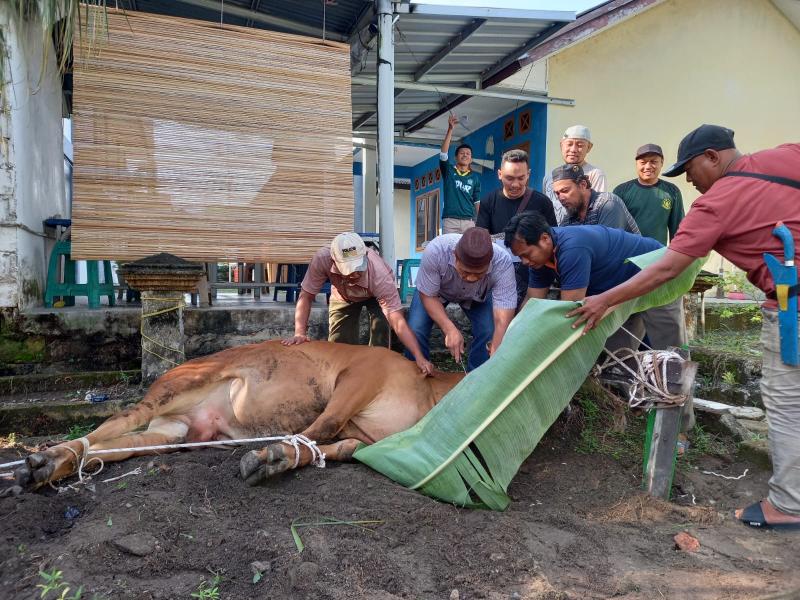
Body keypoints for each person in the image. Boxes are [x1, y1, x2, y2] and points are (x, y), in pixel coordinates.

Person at [568, 124, 800, 530]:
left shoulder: (715, 204)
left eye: (690, 169)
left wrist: (604, 300)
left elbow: (668, 266)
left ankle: (789, 504)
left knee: (786, 403)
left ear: (713, 156)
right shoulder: (785, 156)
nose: (690, 181)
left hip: (790, 305)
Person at [284, 232, 433, 376]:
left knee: (381, 333)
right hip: (343, 294)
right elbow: (306, 295)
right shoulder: (322, 259)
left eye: (358, 268)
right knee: (339, 344)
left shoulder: (380, 276)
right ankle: (344, 376)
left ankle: (376, 375)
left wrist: (418, 356)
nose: (354, 274)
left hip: (376, 296)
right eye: (348, 270)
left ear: (365, 256)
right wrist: (299, 333)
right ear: (334, 261)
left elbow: (398, 322)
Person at [405, 227, 516, 371]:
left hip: (478, 296)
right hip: (436, 293)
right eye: (465, 272)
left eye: (479, 274)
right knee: (416, 328)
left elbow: (502, 318)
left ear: (490, 263)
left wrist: (496, 350)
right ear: (455, 256)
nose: (470, 278)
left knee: (489, 331)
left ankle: (479, 378)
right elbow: (428, 295)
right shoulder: (436, 251)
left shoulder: (502, 263)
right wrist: (449, 329)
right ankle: (416, 373)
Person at [476, 148, 557, 308]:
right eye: (509, 178)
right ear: (499, 174)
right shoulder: (488, 201)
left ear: (528, 174)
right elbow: (481, 240)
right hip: (500, 272)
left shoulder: (542, 202)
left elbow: (553, 240)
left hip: (533, 274)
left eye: (521, 178)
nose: (515, 184)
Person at [613, 143, 685, 245]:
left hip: (658, 255)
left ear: (662, 162)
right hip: (629, 255)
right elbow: (614, 229)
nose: (648, 166)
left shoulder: (672, 191)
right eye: (643, 162)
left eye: (653, 162)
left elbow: (677, 230)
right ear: (636, 164)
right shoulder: (621, 191)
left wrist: (676, 257)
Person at [551, 164, 640, 233]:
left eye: (565, 190)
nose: (561, 198)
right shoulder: (568, 219)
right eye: (557, 193)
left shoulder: (608, 203)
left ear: (583, 185)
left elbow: (609, 246)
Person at [543, 125, 607, 221]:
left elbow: (598, 209)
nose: (573, 150)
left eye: (580, 145)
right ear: (561, 145)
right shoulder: (549, 177)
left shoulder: (595, 174)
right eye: (569, 144)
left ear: (589, 147)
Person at [440, 114, 481, 234]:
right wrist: (450, 129)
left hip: (469, 222)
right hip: (450, 221)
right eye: (462, 153)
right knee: (450, 251)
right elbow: (443, 154)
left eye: (468, 154)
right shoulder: (448, 171)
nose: (465, 155)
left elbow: (477, 202)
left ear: (471, 159)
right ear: (456, 157)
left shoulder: (475, 178)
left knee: (470, 251)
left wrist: (481, 222)